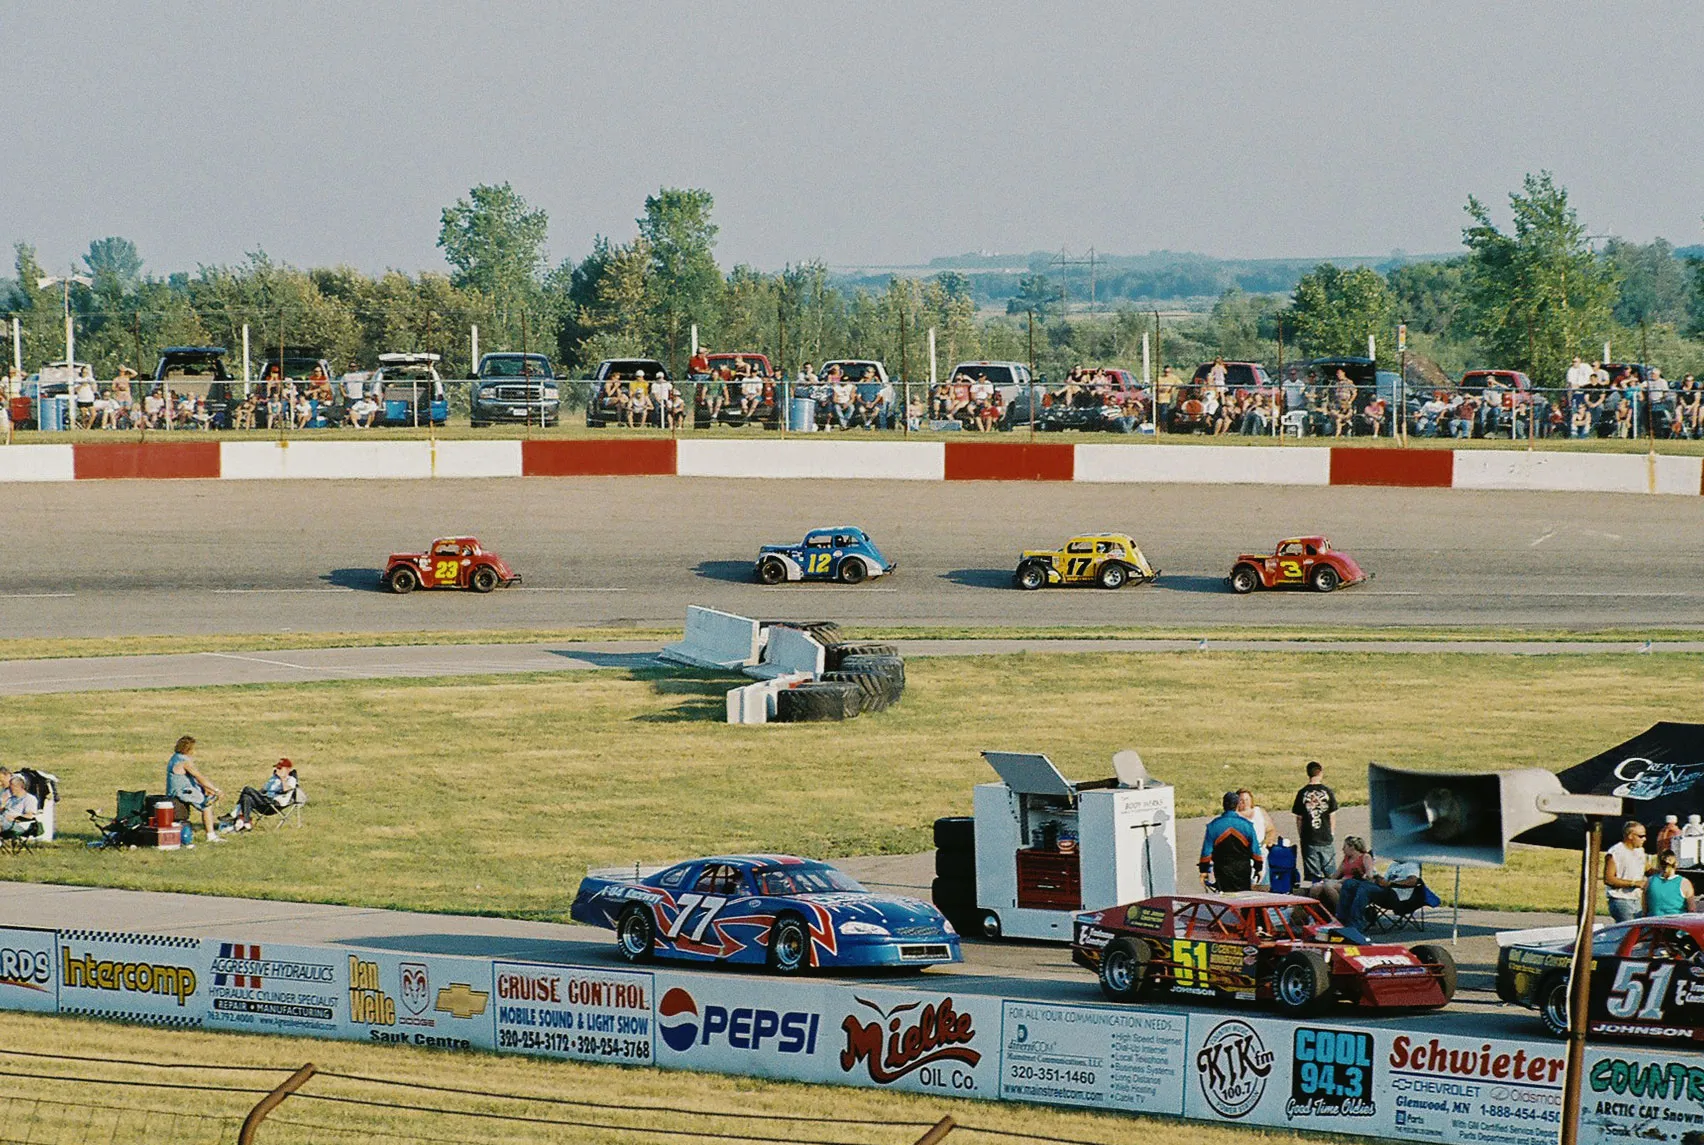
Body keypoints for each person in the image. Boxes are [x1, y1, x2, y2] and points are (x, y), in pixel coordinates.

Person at [1199, 790, 1263, 893]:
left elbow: (1206, 852)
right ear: (1237, 805)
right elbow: (1255, 851)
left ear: (1223, 805)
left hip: (1222, 869)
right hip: (1243, 869)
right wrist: (1258, 868)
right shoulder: (1247, 825)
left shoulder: (1213, 826)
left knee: (1226, 899)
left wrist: (1203, 871)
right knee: (1244, 898)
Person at [165, 735, 225, 843]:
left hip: (184, 788)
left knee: (206, 796)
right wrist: (216, 790)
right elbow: (199, 776)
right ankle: (211, 836)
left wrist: (206, 788)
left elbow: (193, 779)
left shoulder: (175, 757)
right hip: (182, 791)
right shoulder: (184, 762)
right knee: (206, 805)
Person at [1337, 857, 1422, 930]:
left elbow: (1413, 881)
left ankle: (1356, 925)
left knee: (1366, 888)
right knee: (1350, 883)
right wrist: (1374, 877)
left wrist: (1391, 883)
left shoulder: (1412, 864)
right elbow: (1384, 881)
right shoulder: (1393, 865)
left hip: (1399, 897)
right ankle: (1342, 920)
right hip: (1385, 892)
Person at [1291, 761, 1338, 880]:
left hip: (1309, 837)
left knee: (1313, 875)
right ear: (1320, 773)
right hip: (1326, 837)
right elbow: (1332, 814)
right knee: (1331, 872)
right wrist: (1331, 832)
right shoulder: (1327, 791)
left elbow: (1299, 818)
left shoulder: (1302, 793)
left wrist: (1301, 834)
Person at [223, 759, 299, 832]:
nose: (277, 770)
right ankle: (246, 823)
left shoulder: (291, 779)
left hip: (275, 804)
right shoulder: (273, 779)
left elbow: (286, 789)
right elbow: (262, 790)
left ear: (287, 769)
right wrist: (255, 794)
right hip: (265, 801)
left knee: (247, 788)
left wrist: (283, 778)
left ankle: (234, 814)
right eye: (276, 767)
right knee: (246, 797)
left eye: (280, 768)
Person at [1304, 836, 1374, 914]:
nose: (1343, 849)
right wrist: (1325, 880)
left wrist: (1361, 874)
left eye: (1345, 847)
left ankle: (1341, 913)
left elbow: (1369, 875)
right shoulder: (1347, 859)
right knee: (1316, 887)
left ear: (1352, 847)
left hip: (1355, 885)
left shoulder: (1365, 857)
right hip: (1341, 882)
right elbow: (1335, 875)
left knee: (1329, 886)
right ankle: (1315, 915)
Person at [1603, 820, 1651, 923]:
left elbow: (1647, 869)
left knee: (1637, 932)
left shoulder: (1640, 851)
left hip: (1636, 900)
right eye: (1641, 836)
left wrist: (1667, 868)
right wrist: (1634, 883)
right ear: (1630, 836)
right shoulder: (1615, 852)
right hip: (1621, 900)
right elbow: (1609, 879)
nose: (1644, 839)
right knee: (1628, 931)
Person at [1644, 850, 1695, 918]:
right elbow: (1692, 910)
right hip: (1676, 925)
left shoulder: (1649, 881)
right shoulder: (1685, 883)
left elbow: (1644, 909)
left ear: (1659, 864)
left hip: (1654, 924)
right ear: (1676, 864)